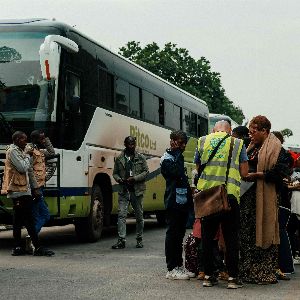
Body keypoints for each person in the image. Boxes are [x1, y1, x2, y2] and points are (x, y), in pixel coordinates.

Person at [194, 120, 248, 289]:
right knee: (231, 238)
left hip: (208, 197)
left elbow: (198, 167)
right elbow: (244, 172)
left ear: (213, 130)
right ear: (230, 130)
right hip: (229, 196)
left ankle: (208, 276)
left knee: (207, 238)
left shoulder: (202, 141)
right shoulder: (238, 143)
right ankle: (232, 278)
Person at [239, 116, 290, 284]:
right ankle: (247, 271)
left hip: (265, 199)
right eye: (250, 132)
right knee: (247, 235)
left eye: (254, 132)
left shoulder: (278, 149)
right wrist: (248, 148)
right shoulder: (250, 146)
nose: (251, 135)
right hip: (247, 199)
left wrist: (258, 175)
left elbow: (280, 173)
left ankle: (262, 273)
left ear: (264, 131)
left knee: (265, 233)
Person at [1, 131, 54, 256]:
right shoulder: (13, 151)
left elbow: (29, 171)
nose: (26, 142)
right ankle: (33, 247)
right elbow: (22, 167)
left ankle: (19, 247)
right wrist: (28, 155)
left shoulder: (21, 151)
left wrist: (35, 188)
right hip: (18, 191)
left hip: (24, 190)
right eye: (24, 139)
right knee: (26, 220)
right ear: (18, 140)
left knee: (20, 220)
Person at [161, 130, 194, 280]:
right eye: (180, 143)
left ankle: (179, 266)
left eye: (184, 143)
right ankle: (171, 268)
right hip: (173, 202)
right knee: (173, 235)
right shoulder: (167, 159)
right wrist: (177, 153)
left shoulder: (177, 157)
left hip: (182, 202)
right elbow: (175, 173)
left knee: (179, 235)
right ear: (172, 142)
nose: (183, 146)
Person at [112, 136, 149, 249]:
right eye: (129, 144)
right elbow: (115, 173)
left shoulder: (141, 158)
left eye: (133, 144)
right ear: (125, 144)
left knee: (139, 216)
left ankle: (139, 239)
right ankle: (121, 240)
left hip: (136, 191)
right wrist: (119, 179)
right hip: (124, 190)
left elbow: (146, 172)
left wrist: (135, 178)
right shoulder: (119, 158)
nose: (131, 146)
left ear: (135, 145)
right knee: (121, 215)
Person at [27, 130, 55, 234]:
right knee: (44, 215)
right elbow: (28, 169)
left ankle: (32, 241)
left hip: (39, 187)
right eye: (41, 138)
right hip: (35, 188)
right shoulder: (29, 151)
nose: (43, 140)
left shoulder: (38, 150)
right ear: (35, 139)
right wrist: (35, 188)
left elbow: (52, 153)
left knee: (37, 215)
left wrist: (46, 141)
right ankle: (31, 238)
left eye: (44, 138)